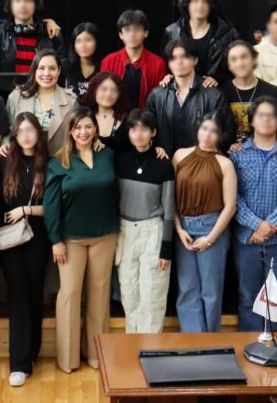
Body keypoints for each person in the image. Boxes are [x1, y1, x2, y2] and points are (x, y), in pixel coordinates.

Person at [44, 107, 118, 373]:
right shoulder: (58, 162)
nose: (83, 132)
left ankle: (97, 355)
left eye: (88, 126)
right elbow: (51, 206)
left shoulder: (107, 155)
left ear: (95, 129)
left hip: (105, 234)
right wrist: (56, 240)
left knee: (99, 295)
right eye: (78, 128)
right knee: (69, 295)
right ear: (70, 131)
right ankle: (68, 359)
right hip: (70, 239)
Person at [230, 97, 277, 331]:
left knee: (275, 298)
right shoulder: (238, 155)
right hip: (246, 240)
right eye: (261, 115)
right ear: (251, 121)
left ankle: (273, 345)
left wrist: (268, 226)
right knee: (247, 296)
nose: (266, 120)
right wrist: (256, 225)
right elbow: (232, 197)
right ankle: (249, 346)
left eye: (272, 115)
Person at [172, 113, 237, 333]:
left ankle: (211, 341)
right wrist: (178, 229)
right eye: (205, 128)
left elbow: (230, 206)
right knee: (187, 287)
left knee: (211, 290)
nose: (208, 135)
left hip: (212, 227)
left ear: (221, 135)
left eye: (214, 131)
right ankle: (193, 340)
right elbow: (170, 197)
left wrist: (210, 239)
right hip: (184, 227)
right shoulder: (180, 156)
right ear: (198, 129)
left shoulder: (225, 163)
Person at [0, 113, 50, 388]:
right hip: (10, 239)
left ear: (38, 133)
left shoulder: (49, 164)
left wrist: (26, 210)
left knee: (34, 294)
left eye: (31, 130)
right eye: (21, 131)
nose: (27, 135)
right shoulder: (4, 161)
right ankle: (18, 364)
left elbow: (54, 206)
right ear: (14, 135)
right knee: (17, 295)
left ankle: (32, 351)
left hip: (38, 236)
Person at [115, 109, 176, 334]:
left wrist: (166, 248)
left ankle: (151, 348)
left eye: (143, 129)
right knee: (129, 293)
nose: (138, 134)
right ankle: (132, 346)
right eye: (133, 129)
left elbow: (169, 209)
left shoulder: (163, 164)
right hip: (125, 230)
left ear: (153, 132)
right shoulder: (120, 160)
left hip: (153, 230)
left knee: (153, 294)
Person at [146, 38, 229, 156]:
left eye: (185, 56)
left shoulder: (213, 95)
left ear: (195, 60)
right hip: (165, 161)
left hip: (201, 161)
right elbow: (147, 128)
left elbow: (226, 133)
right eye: (173, 58)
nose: (179, 62)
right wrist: (155, 148)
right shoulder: (157, 95)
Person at [162, 0, 239, 83]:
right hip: (181, 89)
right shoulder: (171, 33)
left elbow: (236, 70)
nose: (200, 5)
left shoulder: (228, 34)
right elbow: (165, 66)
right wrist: (169, 76)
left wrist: (218, 79)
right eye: (195, 0)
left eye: (205, 0)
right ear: (187, 3)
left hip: (216, 90)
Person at [5, 50, 79, 155]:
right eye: (41, 68)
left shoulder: (71, 101)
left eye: (52, 68)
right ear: (34, 70)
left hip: (59, 161)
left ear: (59, 71)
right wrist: (5, 143)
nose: (46, 73)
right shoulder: (16, 97)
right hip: (24, 160)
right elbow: (7, 130)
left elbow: (79, 133)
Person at [0, 0, 64, 73]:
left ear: (35, 4)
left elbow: (61, 68)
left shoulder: (52, 32)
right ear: (10, 5)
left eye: (28, 0)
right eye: (17, 0)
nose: (22, 5)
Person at [100, 10, 168, 109]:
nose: (132, 34)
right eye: (127, 30)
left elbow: (160, 99)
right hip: (115, 115)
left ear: (146, 33)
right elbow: (103, 95)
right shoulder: (109, 62)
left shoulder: (158, 63)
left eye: (137, 29)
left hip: (146, 116)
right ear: (120, 35)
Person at [220, 40, 277, 143]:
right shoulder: (221, 93)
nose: (240, 63)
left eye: (244, 57)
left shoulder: (272, 92)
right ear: (229, 66)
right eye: (234, 59)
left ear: (254, 59)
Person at [83, 71, 131, 152]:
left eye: (114, 90)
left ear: (119, 95)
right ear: (94, 90)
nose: (108, 94)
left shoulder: (128, 119)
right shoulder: (83, 116)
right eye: (104, 89)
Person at [64, 22, 102, 101]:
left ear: (97, 42)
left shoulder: (104, 67)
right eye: (78, 41)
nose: (83, 45)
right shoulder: (65, 65)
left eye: (88, 40)